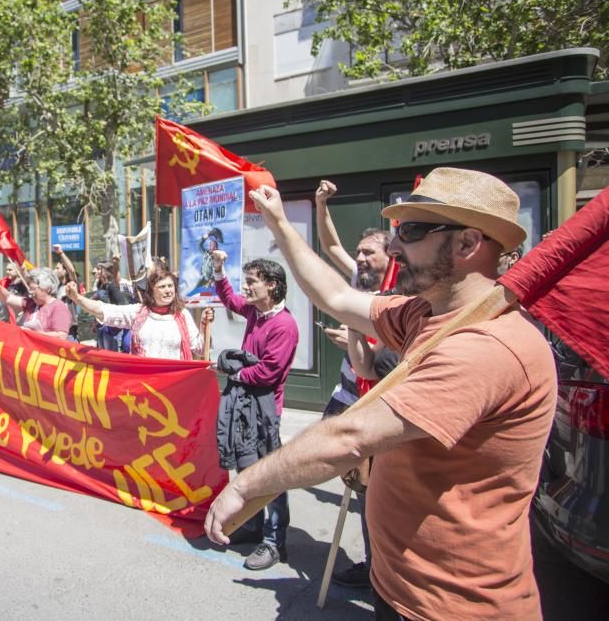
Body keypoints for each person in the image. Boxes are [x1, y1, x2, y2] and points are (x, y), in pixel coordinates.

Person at [205, 168, 557, 620]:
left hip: (454, 607)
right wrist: (277, 222)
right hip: (398, 589)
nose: (393, 248)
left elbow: (350, 437)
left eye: (410, 232)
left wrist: (248, 485)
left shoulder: (489, 347)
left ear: (468, 244)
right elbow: (336, 296)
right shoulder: (422, 312)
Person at [315, 179, 400, 588]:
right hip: (351, 394)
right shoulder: (359, 279)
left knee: (379, 493)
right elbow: (330, 245)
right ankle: (371, 565)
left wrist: (356, 339)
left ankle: (383, 571)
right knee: (361, 485)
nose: (359, 259)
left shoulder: (399, 296)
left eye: (369, 252)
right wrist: (320, 204)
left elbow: (376, 363)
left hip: (380, 401)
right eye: (360, 252)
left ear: (391, 257)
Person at [211, 250, 298, 570]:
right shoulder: (255, 313)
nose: (245, 288)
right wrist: (219, 270)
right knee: (247, 471)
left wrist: (232, 372)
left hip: (263, 412)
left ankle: (275, 542)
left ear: (272, 286)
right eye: (245, 282)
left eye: (251, 282)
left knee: (268, 476)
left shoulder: (284, 325)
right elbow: (231, 301)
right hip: (244, 407)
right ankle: (252, 524)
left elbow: (268, 372)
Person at [65, 265, 209, 360]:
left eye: (170, 286)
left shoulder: (182, 315)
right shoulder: (138, 312)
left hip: (175, 387)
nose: (168, 290)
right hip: (144, 386)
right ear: (152, 291)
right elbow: (103, 310)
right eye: (162, 286)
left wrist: (204, 326)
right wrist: (77, 298)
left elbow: (200, 349)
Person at [0, 267, 71, 339]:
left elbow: (61, 336)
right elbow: (8, 298)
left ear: (47, 288)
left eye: (34, 289)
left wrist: (37, 334)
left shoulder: (58, 307)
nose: (30, 292)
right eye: (29, 289)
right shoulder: (31, 303)